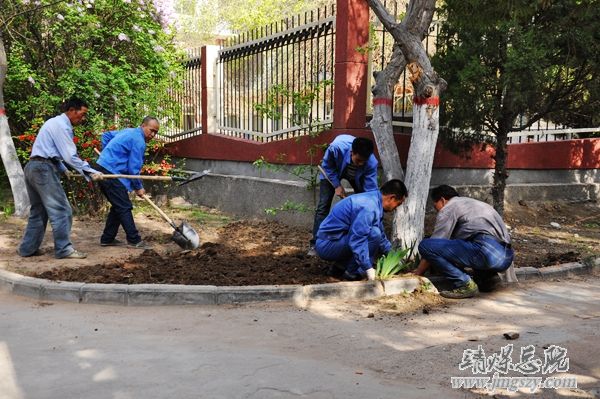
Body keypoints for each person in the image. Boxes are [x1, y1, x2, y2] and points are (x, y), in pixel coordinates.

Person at [18, 98, 102, 259]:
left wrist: (63, 169)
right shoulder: (62, 126)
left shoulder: (54, 123)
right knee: (62, 210)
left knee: (39, 211)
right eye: (82, 114)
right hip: (42, 169)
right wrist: (90, 171)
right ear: (72, 110)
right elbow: (69, 156)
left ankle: (27, 249)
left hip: (33, 167)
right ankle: (64, 249)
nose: (83, 119)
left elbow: (51, 151)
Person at [414, 185, 514, 299]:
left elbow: (437, 241)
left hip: (487, 252)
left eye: (435, 205)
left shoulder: (449, 207)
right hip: (506, 257)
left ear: (442, 200)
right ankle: (488, 278)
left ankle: (464, 283)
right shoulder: (474, 204)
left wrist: (418, 272)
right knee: (470, 242)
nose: (436, 210)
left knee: (426, 245)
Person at [315, 179, 408, 281]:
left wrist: (394, 257)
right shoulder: (369, 208)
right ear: (392, 198)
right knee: (373, 234)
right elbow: (357, 240)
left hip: (335, 240)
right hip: (327, 245)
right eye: (398, 204)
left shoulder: (373, 200)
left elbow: (381, 237)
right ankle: (352, 273)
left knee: (375, 233)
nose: (396, 208)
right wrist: (367, 267)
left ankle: (338, 268)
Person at [94, 116, 159, 249]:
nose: (152, 135)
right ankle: (134, 240)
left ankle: (107, 238)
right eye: (151, 130)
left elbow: (106, 136)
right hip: (110, 173)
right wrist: (139, 187)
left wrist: (108, 154)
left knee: (118, 205)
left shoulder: (128, 131)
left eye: (155, 132)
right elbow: (133, 169)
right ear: (143, 126)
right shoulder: (139, 141)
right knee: (124, 206)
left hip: (105, 169)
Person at [308, 135, 379, 256]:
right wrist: (337, 185)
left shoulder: (370, 163)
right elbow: (327, 167)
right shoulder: (336, 148)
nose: (361, 164)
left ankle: (360, 240)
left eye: (364, 162)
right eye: (358, 160)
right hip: (333, 170)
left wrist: (373, 207)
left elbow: (370, 192)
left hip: (357, 176)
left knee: (365, 205)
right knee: (323, 206)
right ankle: (316, 244)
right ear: (352, 152)